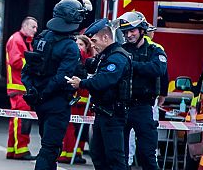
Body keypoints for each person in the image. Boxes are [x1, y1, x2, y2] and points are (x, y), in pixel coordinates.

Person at [21, 0, 84, 170]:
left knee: (48, 145)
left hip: (41, 102)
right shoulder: (70, 46)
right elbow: (61, 77)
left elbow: (28, 70)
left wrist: (34, 92)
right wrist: (43, 94)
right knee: (50, 149)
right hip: (56, 102)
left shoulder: (42, 37)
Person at [68, 19, 132, 170]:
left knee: (114, 159)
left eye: (94, 40)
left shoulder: (117, 57)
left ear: (105, 38)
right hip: (103, 113)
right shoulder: (105, 55)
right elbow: (89, 65)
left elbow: (103, 80)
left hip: (113, 115)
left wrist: (81, 83)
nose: (93, 45)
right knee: (97, 154)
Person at [117, 11, 166, 170]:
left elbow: (158, 69)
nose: (129, 35)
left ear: (142, 30)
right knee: (120, 155)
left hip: (144, 108)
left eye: (132, 31)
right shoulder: (121, 49)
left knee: (147, 154)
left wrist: (131, 65)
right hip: (122, 107)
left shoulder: (154, 49)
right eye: (126, 32)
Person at [5, 16, 38, 160]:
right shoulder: (17, 40)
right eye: (33, 27)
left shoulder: (23, 40)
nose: (35, 30)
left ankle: (13, 149)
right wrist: (35, 63)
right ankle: (21, 150)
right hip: (19, 87)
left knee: (17, 119)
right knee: (22, 119)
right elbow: (16, 61)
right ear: (24, 26)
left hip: (20, 87)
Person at [59, 34, 94, 164]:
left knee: (82, 129)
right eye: (76, 44)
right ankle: (67, 153)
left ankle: (77, 152)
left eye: (81, 45)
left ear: (86, 47)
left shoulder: (89, 61)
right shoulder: (73, 59)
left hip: (85, 101)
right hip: (74, 99)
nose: (78, 47)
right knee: (70, 127)